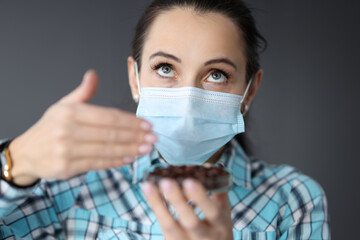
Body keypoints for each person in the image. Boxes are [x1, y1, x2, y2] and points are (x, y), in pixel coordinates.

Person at [0, 0, 330, 239]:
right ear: (135, 78)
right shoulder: (70, 185)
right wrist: (15, 162)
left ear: (250, 90)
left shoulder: (292, 200)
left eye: (216, 74)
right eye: (166, 68)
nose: (188, 98)